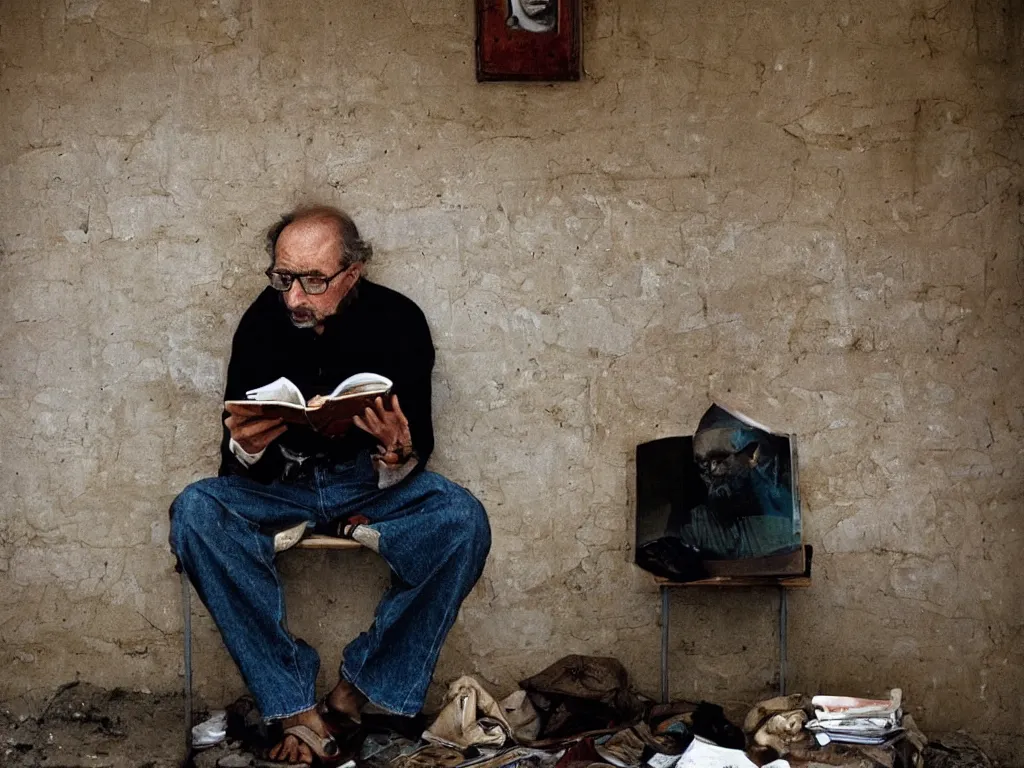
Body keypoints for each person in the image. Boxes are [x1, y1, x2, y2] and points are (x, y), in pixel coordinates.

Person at [169, 205, 491, 765]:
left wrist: (397, 454)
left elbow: (419, 445)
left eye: (314, 281)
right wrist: (247, 446)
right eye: (284, 277)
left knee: (462, 521)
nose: (295, 296)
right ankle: (293, 706)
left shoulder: (400, 321)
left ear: (353, 272)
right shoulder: (261, 321)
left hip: (368, 487)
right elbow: (235, 457)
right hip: (282, 488)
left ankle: (351, 696)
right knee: (195, 512)